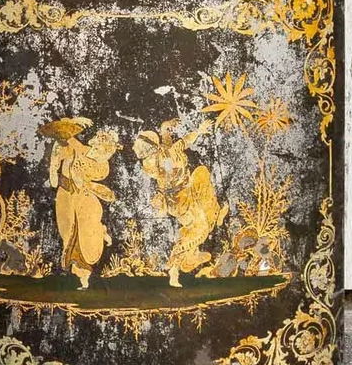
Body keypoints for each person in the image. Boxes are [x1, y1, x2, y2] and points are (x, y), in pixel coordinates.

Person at [133, 118, 226, 287]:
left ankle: (192, 251)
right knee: (200, 228)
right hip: (182, 200)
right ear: (153, 147)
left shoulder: (152, 159)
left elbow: (168, 148)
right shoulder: (165, 159)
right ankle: (174, 268)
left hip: (181, 193)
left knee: (202, 175)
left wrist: (164, 128)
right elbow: (182, 144)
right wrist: (200, 130)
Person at [39, 117, 119, 288]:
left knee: (83, 233)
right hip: (66, 194)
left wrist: (83, 182)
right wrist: (75, 123)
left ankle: (86, 266)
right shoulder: (79, 149)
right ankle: (79, 271)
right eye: (98, 144)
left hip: (84, 199)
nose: (98, 147)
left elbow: (93, 183)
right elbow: (65, 133)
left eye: (103, 149)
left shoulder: (101, 166)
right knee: (67, 234)